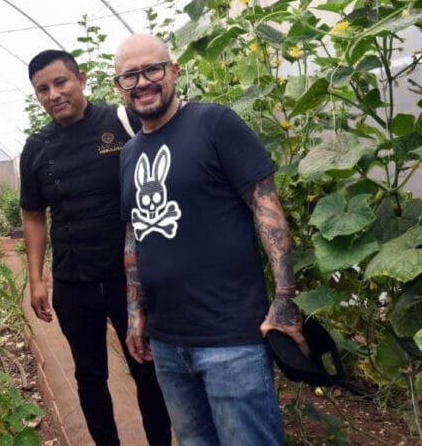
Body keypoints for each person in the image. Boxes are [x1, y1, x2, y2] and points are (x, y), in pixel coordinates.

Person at [114, 33, 303, 446]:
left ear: (174, 71)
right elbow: (134, 233)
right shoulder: (130, 154)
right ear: (119, 87)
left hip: (231, 338)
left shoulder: (215, 123)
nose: (142, 82)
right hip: (167, 343)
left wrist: (285, 298)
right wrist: (135, 311)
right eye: (130, 75)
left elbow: (266, 207)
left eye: (153, 69)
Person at [19, 49, 172, 446]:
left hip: (130, 279)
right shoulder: (37, 147)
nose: (53, 94)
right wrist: (36, 279)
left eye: (60, 82)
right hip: (74, 281)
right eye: (42, 89)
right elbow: (33, 213)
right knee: (89, 376)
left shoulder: (122, 122)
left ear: (82, 79)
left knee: (146, 369)